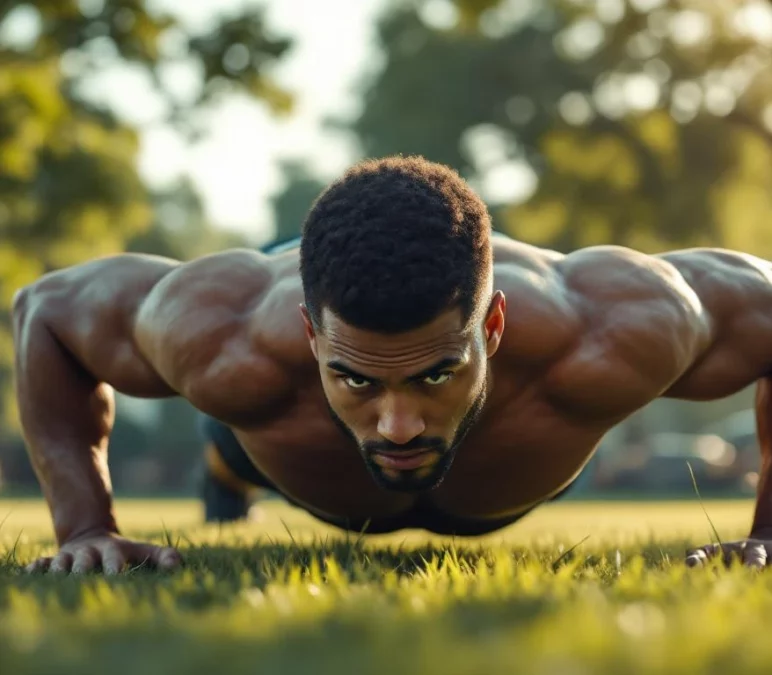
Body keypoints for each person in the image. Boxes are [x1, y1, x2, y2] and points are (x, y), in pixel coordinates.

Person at [11, 155, 772, 575]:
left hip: (518, 452)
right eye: (359, 378)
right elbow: (42, 310)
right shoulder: (224, 333)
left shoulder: (612, 327)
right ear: (312, 337)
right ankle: (230, 468)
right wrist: (85, 525)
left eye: (436, 373)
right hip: (285, 448)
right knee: (238, 433)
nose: (398, 424)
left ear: (494, 326)